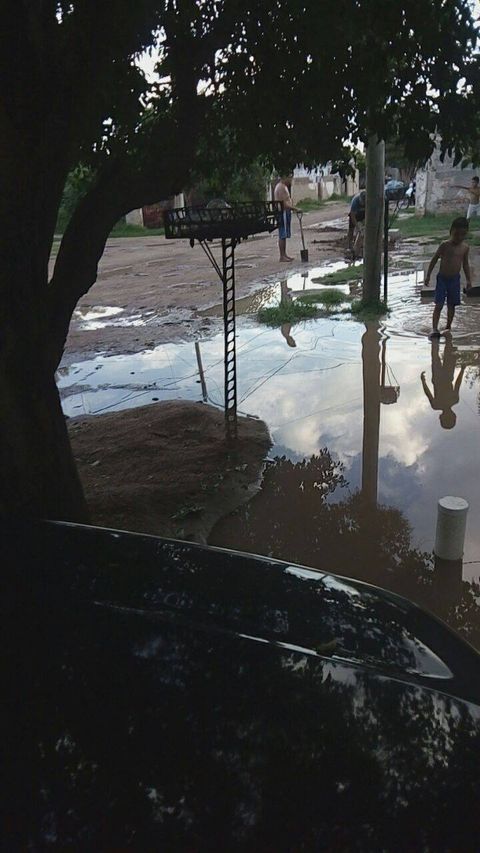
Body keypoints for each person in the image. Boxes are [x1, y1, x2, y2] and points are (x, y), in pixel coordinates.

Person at [424, 216, 472, 338]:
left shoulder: (465, 248)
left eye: (462, 235)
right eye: (456, 234)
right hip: (442, 279)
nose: (459, 238)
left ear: (466, 234)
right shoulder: (445, 245)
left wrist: (468, 280)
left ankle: (448, 327)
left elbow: (465, 265)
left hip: (455, 280)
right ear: (451, 232)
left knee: (452, 304)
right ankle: (434, 329)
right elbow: (434, 259)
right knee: (439, 304)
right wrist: (428, 275)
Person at [420, 337, 465, 429]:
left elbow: (457, 384)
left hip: (448, 376)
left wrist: (462, 370)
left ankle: (447, 337)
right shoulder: (436, 405)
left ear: (454, 415)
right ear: (441, 417)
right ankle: (435, 339)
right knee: (435, 356)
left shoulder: (455, 400)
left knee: (448, 354)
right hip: (437, 378)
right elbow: (427, 393)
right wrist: (423, 381)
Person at [274, 176, 297, 262]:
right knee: (282, 234)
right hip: (283, 212)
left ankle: (284, 254)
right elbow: (283, 203)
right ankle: (282, 256)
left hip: (286, 212)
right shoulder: (281, 187)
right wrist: (295, 208)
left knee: (284, 234)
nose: (291, 180)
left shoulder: (283, 186)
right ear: (285, 177)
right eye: (290, 178)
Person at [347, 190, 366, 258]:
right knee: (351, 229)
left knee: (362, 232)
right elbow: (352, 216)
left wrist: (364, 224)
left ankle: (360, 248)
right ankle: (350, 246)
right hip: (355, 214)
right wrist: (357, 226)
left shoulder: (369, 201)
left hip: (363, 214)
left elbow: (369, 214)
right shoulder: (355, 201)